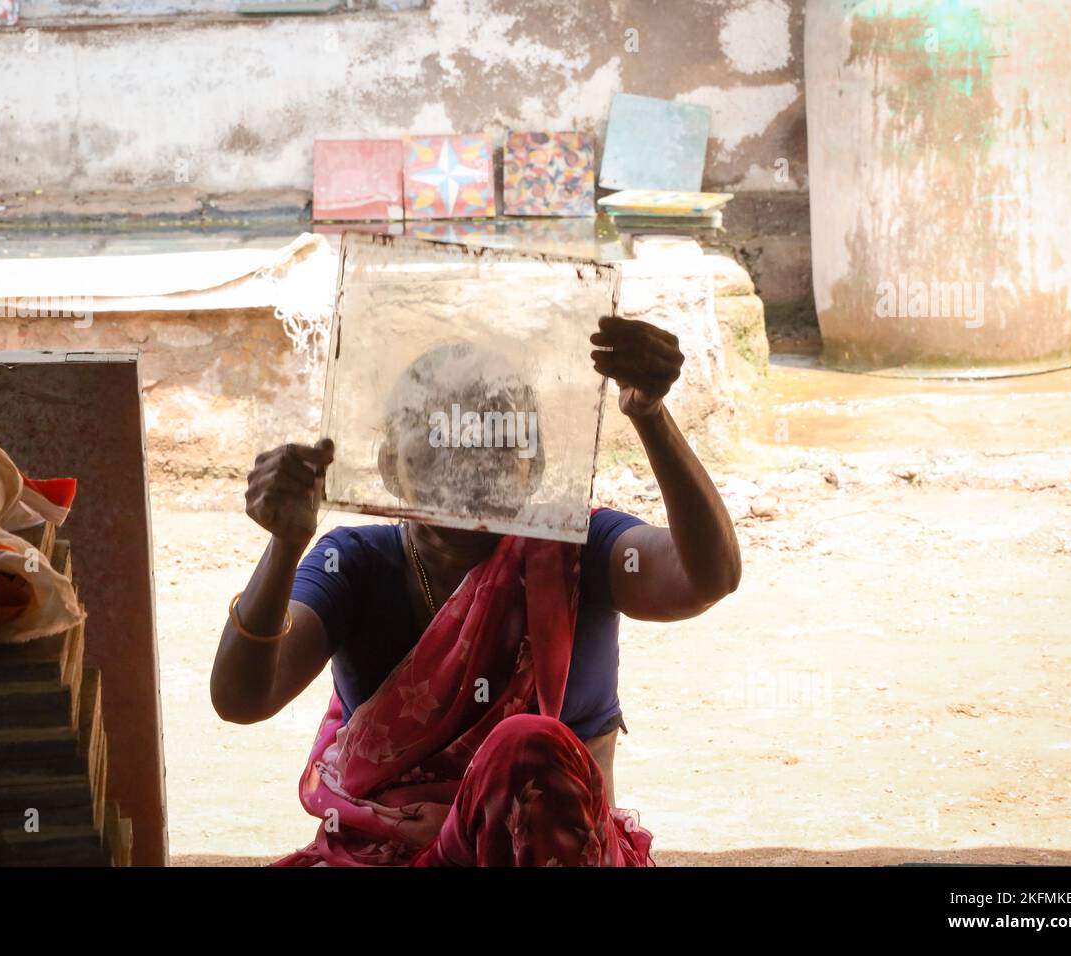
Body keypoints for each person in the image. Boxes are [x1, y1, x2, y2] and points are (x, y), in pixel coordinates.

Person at [211, 316, 741, 866]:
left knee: (525, 744)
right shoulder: (356, 564)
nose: (465, 453)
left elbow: (707, 577)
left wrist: (650, 415)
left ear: (532, 464)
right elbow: (242, 698)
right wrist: (284, 547)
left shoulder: (573, 551)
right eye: (436, 432)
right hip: (388, 857)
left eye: (492, 430)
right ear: (389, 464)